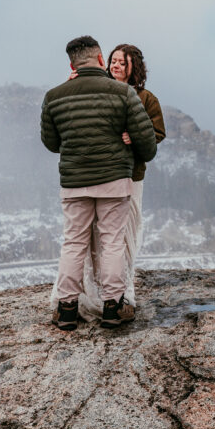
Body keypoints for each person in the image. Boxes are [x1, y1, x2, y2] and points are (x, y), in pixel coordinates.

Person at [40, 36, 157, 330]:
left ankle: (66, 309)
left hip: (74, 181)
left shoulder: (54, 96)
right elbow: (148, 145)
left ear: (72, 64)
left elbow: (51, 143)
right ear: (101, 60)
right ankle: (113, 307)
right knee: (112, 242)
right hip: (114, 181)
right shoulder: (122, 93)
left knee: (73, 243)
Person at [67, 44, 166, 321]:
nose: (116, 65)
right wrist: (74, 83)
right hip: (102, 174)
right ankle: (100, 295)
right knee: (98, 238)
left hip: (131, 176)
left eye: (123, 62)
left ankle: (125, 294)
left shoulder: (147, 99)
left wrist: (134, 137)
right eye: (113, 60)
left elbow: (156, 133)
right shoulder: (101, 92)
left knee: (125, 236)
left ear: (135, 66)